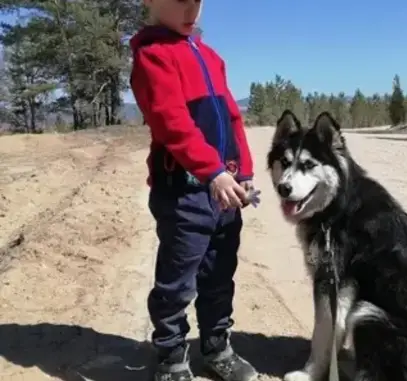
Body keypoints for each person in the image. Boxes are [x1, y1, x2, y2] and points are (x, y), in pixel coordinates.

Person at [129, 1, 258, 380]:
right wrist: (212, 171)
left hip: (225, 191)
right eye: (179, 0)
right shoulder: (152, 55)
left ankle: (217, 347)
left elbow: (233, 117)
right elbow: (172, 124)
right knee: (177, 281)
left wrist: (243, 171)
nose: (191, 9)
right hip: (183, 194)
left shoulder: (211, 56)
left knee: (220, 273)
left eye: (197, 1)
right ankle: (171, 357)